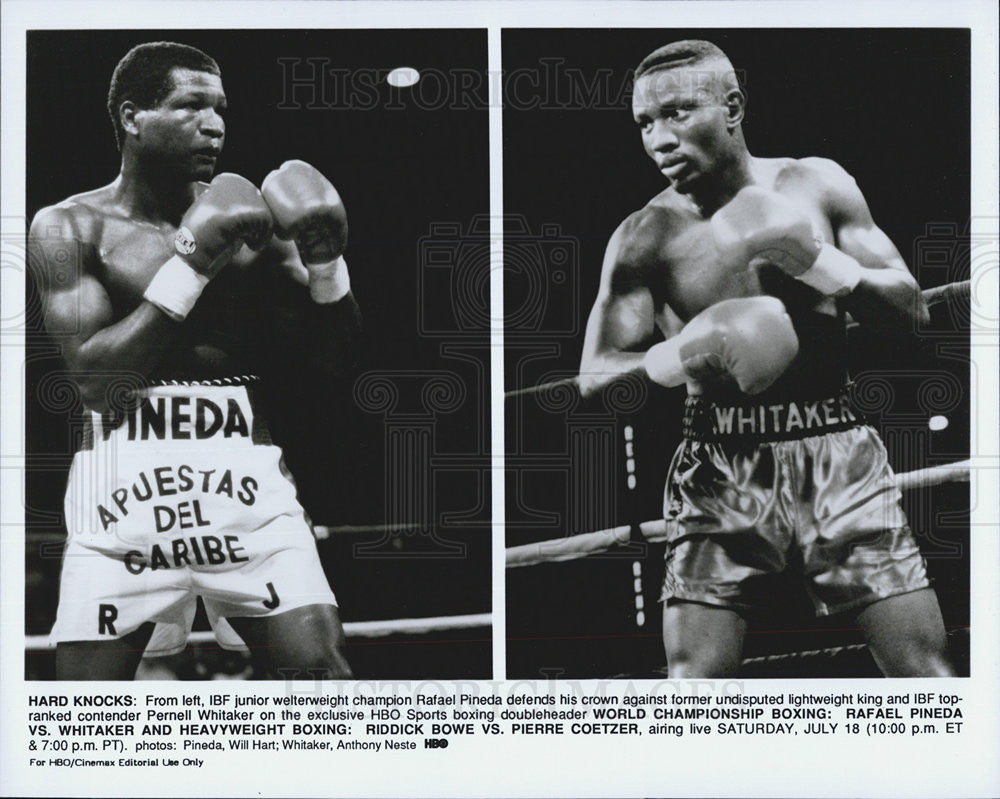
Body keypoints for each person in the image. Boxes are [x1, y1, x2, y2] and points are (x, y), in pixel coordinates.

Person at [579, 40, 953, 678]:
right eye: (645, 122)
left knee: (923, 671)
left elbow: (911, 316)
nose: (659, 138)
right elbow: (595, 377)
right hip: (719, 462)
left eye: (677, 112)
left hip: (836, 446)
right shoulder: (645, 236)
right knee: (694, 683)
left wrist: (815, 261)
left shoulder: (818, 184)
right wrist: (684, 352)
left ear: (732, 107)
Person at [29, 42, 360, 680]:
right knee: (81, 719)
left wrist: (327, 266)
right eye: (191, 107)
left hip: (249, 500)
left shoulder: (255, 227)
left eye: (221, 109)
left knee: (322, 677)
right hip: (121, 510)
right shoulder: (70, 227)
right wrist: (192, 263)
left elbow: (335, 367)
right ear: (132, 117)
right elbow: (98, 383)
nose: (215, 125)